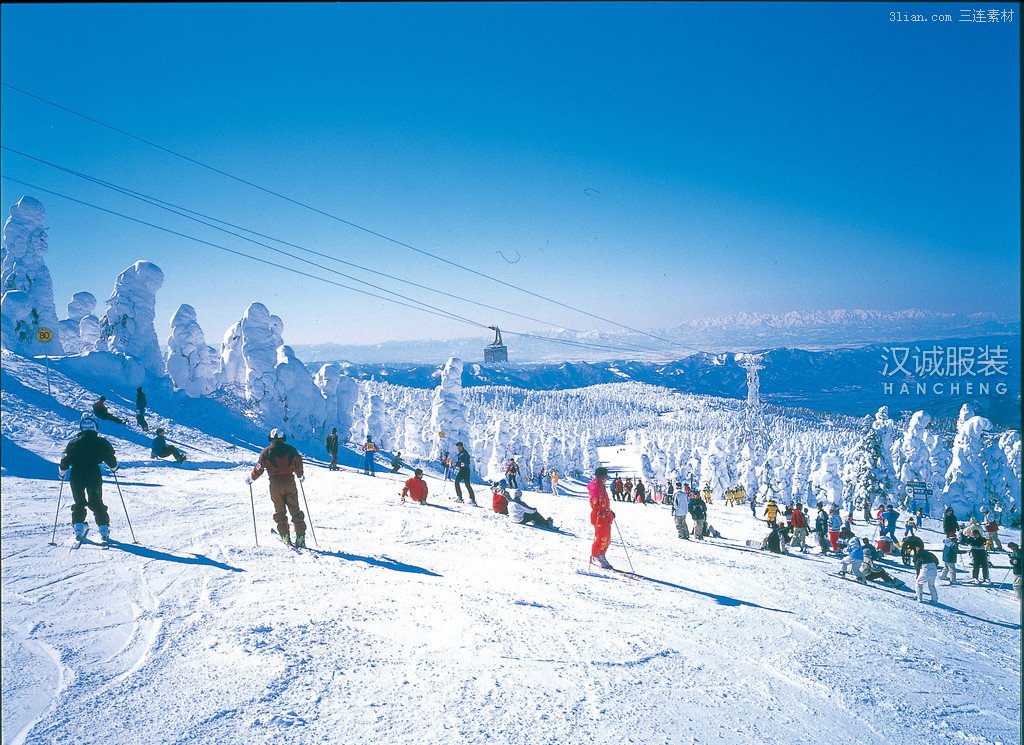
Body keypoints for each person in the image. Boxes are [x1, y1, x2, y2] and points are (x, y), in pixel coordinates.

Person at [59, 414, 118, 541]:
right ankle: (103, 529)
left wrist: (62, 472)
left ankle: (79, 528)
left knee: (79, 501)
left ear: (82, 428)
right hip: (93, 474)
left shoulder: (74, 442)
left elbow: (66, 460)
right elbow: (111, 460)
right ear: (95, 427)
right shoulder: (102, 442)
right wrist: (114, 468)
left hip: (77, 474)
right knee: (96, 502)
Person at [247, 429, 306, 547]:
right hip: (290, 481)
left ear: (271, 438)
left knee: (280, 510)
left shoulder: (266, 452)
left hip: (275, 483)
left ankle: (285, 535)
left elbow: (259, 468)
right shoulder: (291, 449)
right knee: (295, 509)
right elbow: (298, 463)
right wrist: (300, 476)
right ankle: (300, 536)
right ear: (283, 438)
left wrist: (251, 478)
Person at [588, 467, 615, 568]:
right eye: (605, 477)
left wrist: (609, 511)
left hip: (605, 516)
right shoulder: (595, 486)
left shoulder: (601, 486)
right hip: (599, 516)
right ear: (601, 477)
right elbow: (594, 500)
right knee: (601, 537)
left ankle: (601, 555)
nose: (606, 479)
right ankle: (595, 556)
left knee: (607, 538)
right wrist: (598, 504)